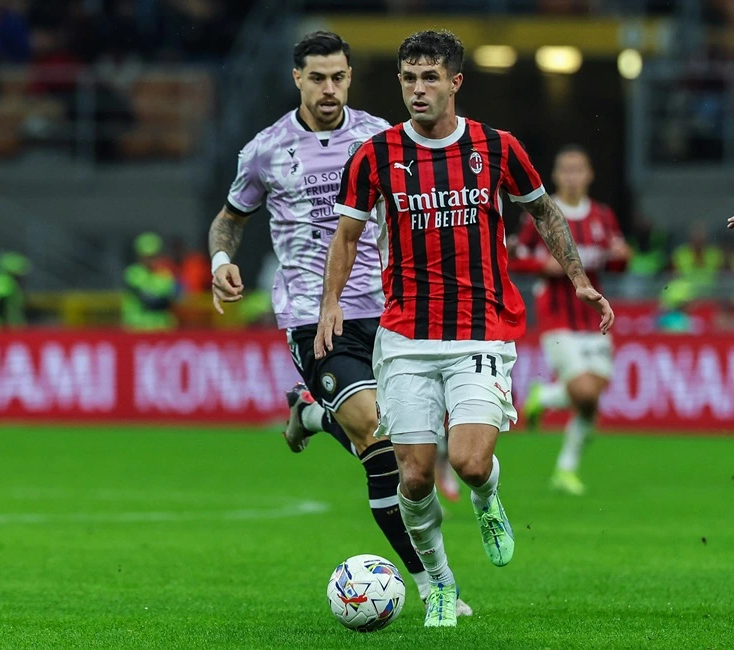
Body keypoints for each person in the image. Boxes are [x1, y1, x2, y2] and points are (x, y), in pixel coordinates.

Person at [319, 30, 614, 627]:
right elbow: (348, 234)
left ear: (455, 82)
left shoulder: (496, 147)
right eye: (408, 78)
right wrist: (331, 305)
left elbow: (544, 210)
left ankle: (486, 500)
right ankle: (442, 587)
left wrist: (578, 277)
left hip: (479, 331)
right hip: (404, 335)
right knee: (416, 473)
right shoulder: (375, 156)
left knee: (472, 462)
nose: (417, 89)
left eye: (430, 77)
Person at [209, 30, 472, 616]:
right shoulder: (265, 149)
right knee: (380, 445)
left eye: (338, 77)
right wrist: (222, 260)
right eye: (317, 77)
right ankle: (435, 585)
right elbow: (230, 218)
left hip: (391, 309)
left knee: (412, 448)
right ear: (297, 78)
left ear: (350, 77)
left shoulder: (380, 137)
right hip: (313, 317)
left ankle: (308, 412)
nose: (328, 89)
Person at [512, 145, 631, 496]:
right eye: (566, 170)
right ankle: (548, 397)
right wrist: (541, 266)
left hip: (596, 321)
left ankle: (565, 465)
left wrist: (622, 257)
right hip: (557, 320)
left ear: (590, 174)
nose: (573, 176)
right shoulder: (541, 214)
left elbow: (616, 262)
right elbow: (511, 256)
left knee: (591, 400)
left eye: (579, 170)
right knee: (581, 391)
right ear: (555, 175)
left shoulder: (604, 216)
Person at [122, 232, 179, 330]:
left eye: (154, 256)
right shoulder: (133, 273)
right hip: (137, 328)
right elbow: (149, 301)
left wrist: (163, 301)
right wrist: (162, 300)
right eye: (147, 257)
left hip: (162, 328)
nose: (151, 260)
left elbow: (174, 299)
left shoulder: (165, 274)